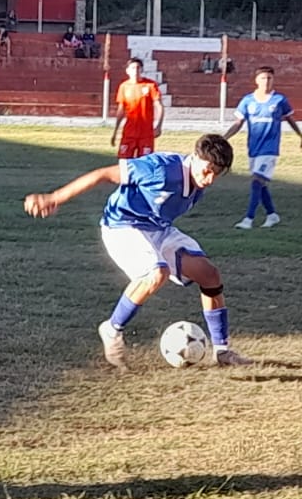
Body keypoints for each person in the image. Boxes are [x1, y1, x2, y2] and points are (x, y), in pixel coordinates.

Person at [23, 134, 252, 369]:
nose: (211, 178)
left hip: (158, 229)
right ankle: (112, 329)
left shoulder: (196, 180)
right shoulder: (160, 170)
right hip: (122, 226)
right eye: (207, 170)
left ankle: (222, 351)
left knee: (209, 274)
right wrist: (54, 197)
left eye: (217, 173)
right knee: (156, 274)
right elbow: (103, 174)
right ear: (194, 157)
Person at [223, 66, 302, 230]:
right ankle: (272, 215)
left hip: (270, 149)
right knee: (261, 184)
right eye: (263, 78)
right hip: (254, 148)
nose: (266, 81)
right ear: (256, 80)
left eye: (269, 78)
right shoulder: (248, 101)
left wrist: (301, 136)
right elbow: (238, 123)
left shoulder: (279, 100)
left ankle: (248, 219)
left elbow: (290, 119)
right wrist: (224, 138)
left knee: (256, 181)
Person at [111, 59, 163, 159]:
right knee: (124, 161)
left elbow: (159, 105)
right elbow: (121, 110)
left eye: (138, 68)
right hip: (129, 132)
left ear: (142, 70)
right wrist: (115, 131)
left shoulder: (150, 85)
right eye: (133, 68)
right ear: (127, 70)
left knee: (145, 162)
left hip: (146, 133)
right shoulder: (124, 87)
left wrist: (159, 125)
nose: (135, 71)